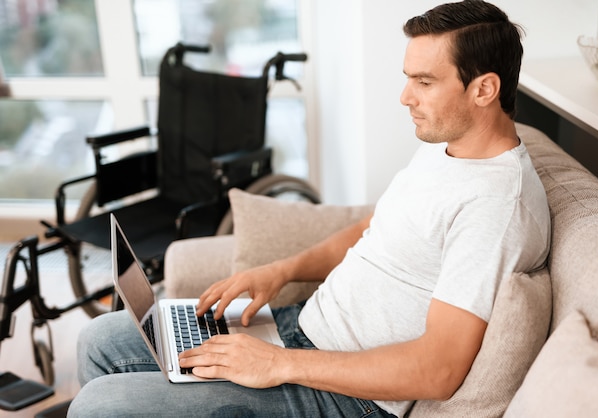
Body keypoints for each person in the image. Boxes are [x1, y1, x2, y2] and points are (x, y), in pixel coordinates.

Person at [68, 1, 550, 417]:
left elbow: (438, 369)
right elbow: (372, 228)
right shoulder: (447, 145)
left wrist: (277, 364)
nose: (405, 97)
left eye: (423, 82)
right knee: (100, 340)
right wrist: (280, 271)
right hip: (301, 329)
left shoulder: (495, 207)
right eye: (408, 78)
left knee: (98, 407)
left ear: (484, 89)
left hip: (347, 400)